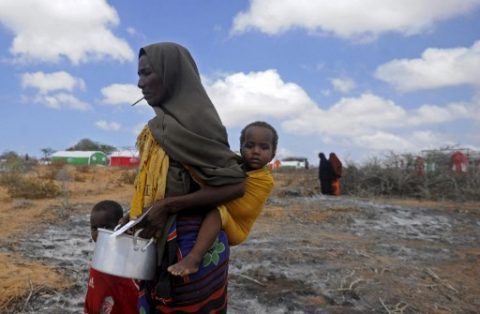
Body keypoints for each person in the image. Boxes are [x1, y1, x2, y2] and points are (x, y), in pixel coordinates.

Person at [128, 42, 246, 313]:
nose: (139, 83)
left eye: (147, 73)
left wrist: (168, 207)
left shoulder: (197, 121)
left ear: (172, 74)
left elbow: (235, 185)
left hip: (194, 251)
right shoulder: (159, 126)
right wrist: (135, 215)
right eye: (139, 75)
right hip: (159, 243)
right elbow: (158, 186)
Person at [167, 121, 278, 277]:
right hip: (228, 213)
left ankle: (194, 258)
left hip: (238, 226)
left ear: (273, 154)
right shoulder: (234, 168)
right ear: (240, 149)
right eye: (250, 146)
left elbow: (243, 208)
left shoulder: (264, 180)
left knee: (216, 212)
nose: (256, 151)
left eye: (264, 147)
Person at [84, 200, 141, 314]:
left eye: (106, 227)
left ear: (120, 227)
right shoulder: (98, 258)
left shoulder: (125, 264)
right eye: (94, 228)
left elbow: (130, 299)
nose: (99, 233)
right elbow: (92, 293)